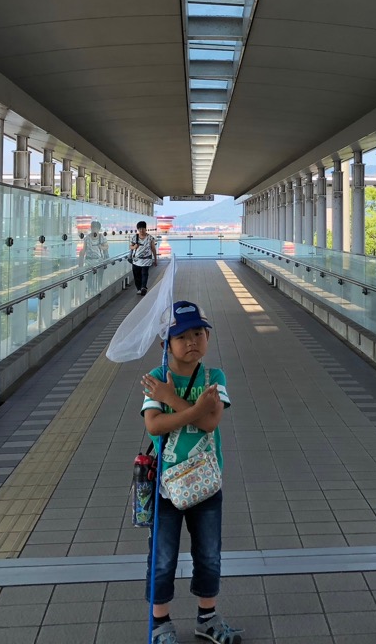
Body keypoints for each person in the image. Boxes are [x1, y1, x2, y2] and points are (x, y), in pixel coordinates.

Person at [140, 301, 241, 644]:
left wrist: (173, 400)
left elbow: (211, 422)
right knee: (163, 557)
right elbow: (154, 425)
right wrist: (194, 408)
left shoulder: (215, 377)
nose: (191, 341)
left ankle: (207, 618)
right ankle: (160, 623)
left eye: (198, 333)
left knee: (209, 554)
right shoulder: (156, 378)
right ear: (166, 344)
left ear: (208, 337)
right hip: (166, 486)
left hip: (207, 484)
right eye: (181, 336)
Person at [130, 220, 157, 294]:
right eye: (140, 229)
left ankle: (143, 287)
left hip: (146, 260)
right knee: (137, 275)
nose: (141, 230)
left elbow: (153, 249)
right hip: (136, 260)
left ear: (145, 229)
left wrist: (155, 259)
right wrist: (134, 247)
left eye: (143, 228)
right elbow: (131, 247)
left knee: (145, 273)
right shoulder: (135, 237)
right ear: (138, 229)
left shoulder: (150, 238)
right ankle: (139, 288)